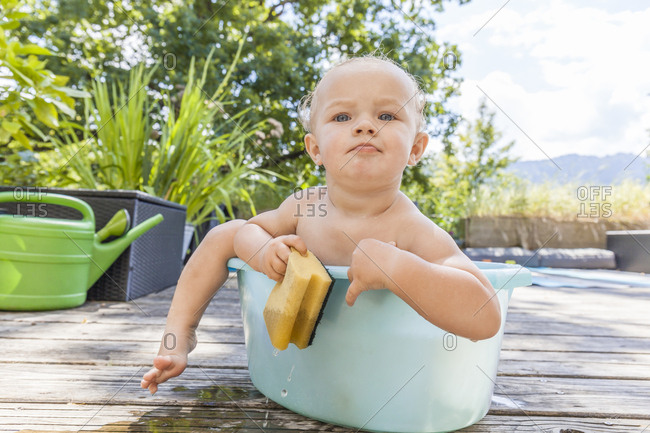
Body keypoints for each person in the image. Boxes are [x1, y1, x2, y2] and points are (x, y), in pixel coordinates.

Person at [141, 56, 501, 395]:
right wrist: (265, 251)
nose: (364, 125)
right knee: (224, 232)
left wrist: (397, 267)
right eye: (342, 117)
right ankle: (179, 332)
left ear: (416, 149)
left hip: (383, 382)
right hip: (301, 375)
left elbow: (485, 316)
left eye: (387, 116)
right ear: (315, 149)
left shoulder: (412, 230)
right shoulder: (305, 207)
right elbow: (243, 232)